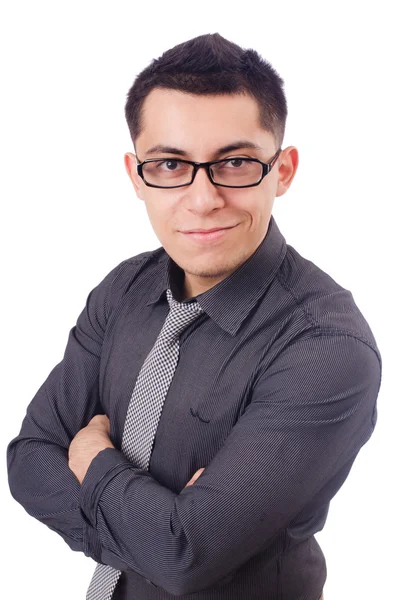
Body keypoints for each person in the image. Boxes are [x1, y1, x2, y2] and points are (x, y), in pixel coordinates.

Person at [6, 32, 381, 600]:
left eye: (235, 162)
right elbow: (29, 459)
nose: (203, 198)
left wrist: (91, 458)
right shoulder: (123, 290)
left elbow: (184, 554)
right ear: (136, 175)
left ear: (283, 170)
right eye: (170, 164)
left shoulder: (325, 346)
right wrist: (153, 524)